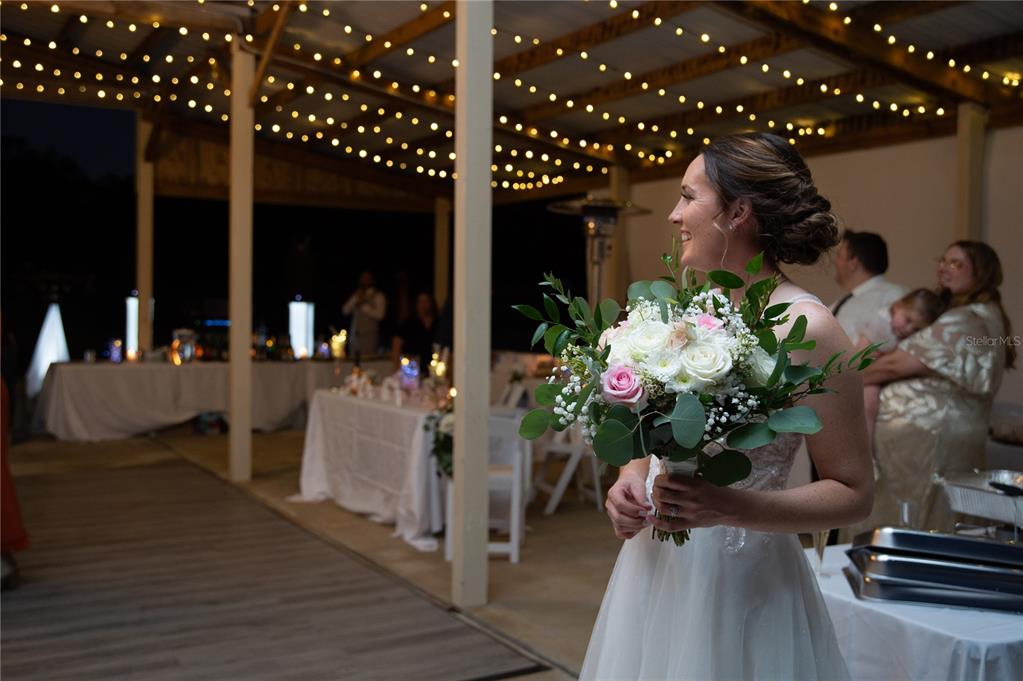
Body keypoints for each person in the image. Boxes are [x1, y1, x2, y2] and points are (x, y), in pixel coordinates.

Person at [581, 133, 873, 681]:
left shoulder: (808, 327)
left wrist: (730, 507)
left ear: (738, 212)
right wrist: (631, 475)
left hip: (744, 577)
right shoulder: (689, 309)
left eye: (688, 197)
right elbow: (653, 424)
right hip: (655, 567)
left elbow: (854, 492)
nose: (674, 215)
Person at [852, 241, 1013, 534]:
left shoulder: (968, 319)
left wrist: (848, 379)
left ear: (982, 271)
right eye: (943, 260)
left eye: (956, 263)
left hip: (928, 444)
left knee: (915, 523)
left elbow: (895, 365)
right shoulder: (980, 314)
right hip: (925, 441)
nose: (944, 268)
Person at [861, 289, 946, 448]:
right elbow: (857, 355)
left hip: (878, 375)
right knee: (868, 406)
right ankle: (865, 448)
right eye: (907, 320)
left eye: (916, 329)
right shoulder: (881, 325)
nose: (908, 329)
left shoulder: (908, 338)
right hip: (867, 374)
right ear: (898, 306)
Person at [831, 230, 907, 348]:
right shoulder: (841, 302)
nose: (834, 262)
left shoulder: (892, 295)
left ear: (854, 262)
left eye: (839, 256)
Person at [342, 271, 387, 358]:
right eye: (363, 278)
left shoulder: (378, 295)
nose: (364, 281)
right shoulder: (357, 295)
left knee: (368, 360)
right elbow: (345, 310)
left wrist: (363, 306)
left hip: (369, 336)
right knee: (353, 360)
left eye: (367, 278)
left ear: (372, 280)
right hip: (355, 336)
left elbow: (380, 315)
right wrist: (356, 299)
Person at [391, 292, 438, 374]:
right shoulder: (409, 323)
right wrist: (396, 368)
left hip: (434, 369)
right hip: (412, 369)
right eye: (421, 302)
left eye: (426, 301)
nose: (423, 305)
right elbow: (397, 344)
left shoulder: (438, 323)